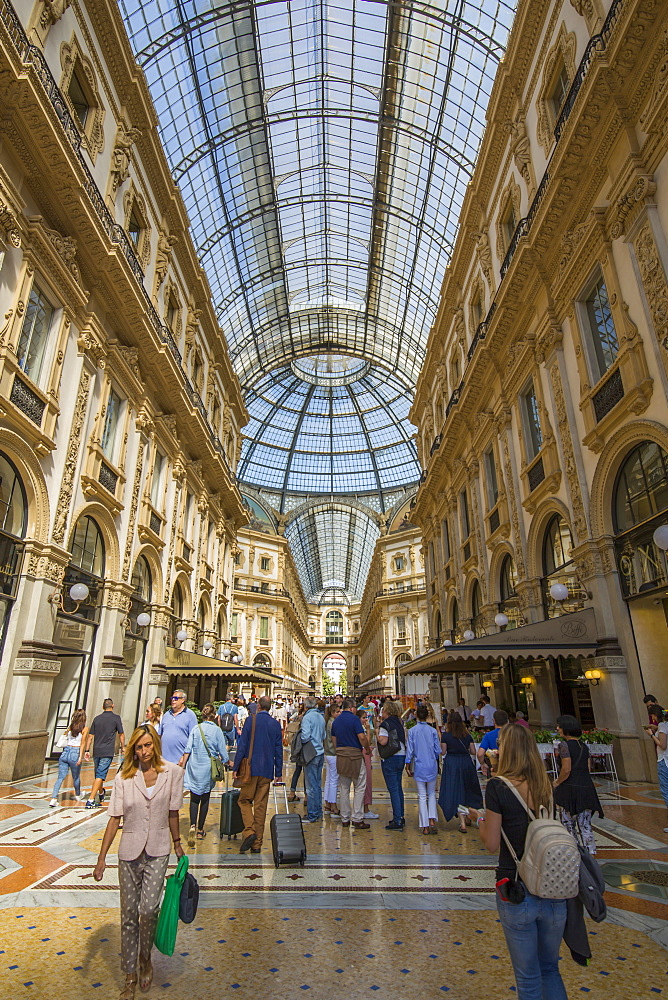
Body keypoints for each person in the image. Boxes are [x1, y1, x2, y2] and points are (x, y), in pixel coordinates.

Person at [471, 723, 568, 1000]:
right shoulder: (545, 785)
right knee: (550, 968)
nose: (497, 748)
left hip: (517, 888)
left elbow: (491, 843)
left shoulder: (498, 787)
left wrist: (478, 819)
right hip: (553, 887)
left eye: (500, 743)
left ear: (508, 750)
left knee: (527, 976)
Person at [93, 725, 184, 1000]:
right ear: (133, 749)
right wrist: (101, 859)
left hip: (158, 849)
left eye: (147, 746)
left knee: (148, 910)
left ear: (155, 745)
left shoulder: (172, 773)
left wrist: (178, 844)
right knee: (129, 916)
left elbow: (173, 812)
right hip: (129, 851)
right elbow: (114, 819)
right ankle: (130, 974)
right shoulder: (123, 777)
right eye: (139, 747)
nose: (143, 752)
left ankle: (146, 957)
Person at [233, 695, 283, 853]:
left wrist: (235, 766)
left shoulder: (250, 720)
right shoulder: (275, 724)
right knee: (261, 806)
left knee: (244, 800)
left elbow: (242, 745)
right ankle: (257, 844)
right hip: (267, 770)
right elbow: (278, 750)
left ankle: (249, 832)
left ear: (259, 707)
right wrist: (279, 771)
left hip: (250, 769)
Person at [553, 714, 603, 854]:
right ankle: (591, 855)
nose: (557, 728)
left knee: (568, 824)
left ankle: (573, 854)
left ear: (566, 729)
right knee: (585, 825)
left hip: (569, 790)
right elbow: (587, 768)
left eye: (559, 726)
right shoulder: (584, 746)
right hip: (586, 789)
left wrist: (556, 782)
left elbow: (566, 769)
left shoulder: (564, 746)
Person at [182, 703, 229, 845]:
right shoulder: (217, 731)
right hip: (208, 769)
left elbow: (188, 749)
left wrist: (182, 766)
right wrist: (225, 761)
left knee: (194, 798)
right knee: (205, 798)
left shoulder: (196, 729)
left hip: (194, 768)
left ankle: (192, 825)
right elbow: (224, 754)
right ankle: (200, 829)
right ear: (214, 716)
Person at [439, 710, 483, 832]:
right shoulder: (467, 735)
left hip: (452, 764)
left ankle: (462, 823)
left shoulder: (446, 736)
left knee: (455, 790)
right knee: (468, 789)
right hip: (466, 762)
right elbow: (473, 751)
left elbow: (443, 751)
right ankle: (469, 816)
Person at [331, 696, 370, 829]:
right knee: (359, 786)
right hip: (355, 757)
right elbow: (361, 737)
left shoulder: (336, 721)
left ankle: (345, 818)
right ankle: (357, 818)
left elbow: (333, 739)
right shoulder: (354, 719)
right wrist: (368, 749)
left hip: (341, 756)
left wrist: (339, 750)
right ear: (352, 708)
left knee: (344, 788)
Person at [405, 704, 442, 834]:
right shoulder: (432, 731)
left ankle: (424, 825)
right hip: (431, 765)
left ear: (416, 716)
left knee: (421, 795)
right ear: (427, 716)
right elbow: (438, 750)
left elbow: (410, 750)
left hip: (419, 765)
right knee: (432, 793)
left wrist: (407, 763)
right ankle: (432, 819)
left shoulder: (412, 731)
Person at [83, 698, 125, 809]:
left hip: (97, 750)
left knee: (98, 774)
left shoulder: (97, 719)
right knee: (100, 775)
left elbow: (90, 736)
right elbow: (121, 734)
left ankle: (101, 792)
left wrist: (87, 750)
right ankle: (91, 799)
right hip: (107, 751)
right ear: (113, 706)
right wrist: (122, 747)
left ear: (103, 707)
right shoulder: (116, 718)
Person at [377, 699, 406, 830]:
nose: (382, 712)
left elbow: (383, 741)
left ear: (387, 711)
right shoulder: (399, 722)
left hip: (391, 757)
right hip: (401, 756)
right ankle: (401, 815)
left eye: (383, 710)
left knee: (393, 789)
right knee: (398, 788)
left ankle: (397, 820)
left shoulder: (385, 724)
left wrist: (377, 731)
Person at [50, 708, 88, 807]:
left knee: (60, 777)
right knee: (76, 777)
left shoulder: (70, 727)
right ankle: (78, 795)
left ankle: (53, 798)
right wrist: (80, 757)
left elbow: (65, 736)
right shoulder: (84, 729)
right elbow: (83, 743)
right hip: (75, 752)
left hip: (65, 752)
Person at [300, 696, 326, 823]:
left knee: (310, 786)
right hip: (320, 753)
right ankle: (319, 811)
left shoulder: (307, 718)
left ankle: (312, 814)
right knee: (317, 783)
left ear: (306, 706)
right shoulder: (321, 717)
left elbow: (305, 737)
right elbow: (324, 735)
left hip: (311, 754)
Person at [158, 690, 197, 764]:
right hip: (163, 760)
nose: (173, 700)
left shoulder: (190, 715)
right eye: (172, 698)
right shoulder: (167, 715)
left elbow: (194, 738)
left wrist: (184, 756)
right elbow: (160, 735)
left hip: (179, 760)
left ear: (183, 700)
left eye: (176, 698)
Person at [644, 709, 668, 832]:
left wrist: (652, 735)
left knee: (666, 791)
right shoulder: (663, 725)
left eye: (652, 715)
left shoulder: (663, 726)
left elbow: (663, 745)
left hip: (664, 760)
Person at [356, 709, 378, 820]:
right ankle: (365, 809)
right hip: (364, 755)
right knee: (366, 782)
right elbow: (367, 742)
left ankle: (362, 808)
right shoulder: (361, 730)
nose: (366, 720)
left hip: (363, 756)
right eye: (363, 718)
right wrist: (369, 730)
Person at [477, 710, 509, 777]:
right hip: (511, 766)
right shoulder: (513, 734)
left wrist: (482, 764)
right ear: (507, 721)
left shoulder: (489, 735)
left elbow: (480, 754)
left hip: (495, 766)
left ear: (494, 721)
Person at [324, 704, 341, 814]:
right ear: (332, 713)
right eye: (337, 712)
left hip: (327, 753)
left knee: (329, 779)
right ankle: (333, 805)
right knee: (334, 780)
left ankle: (327, 803)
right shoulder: (333, 724)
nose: (339, 713)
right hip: (333, 753)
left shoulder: (327, 722)